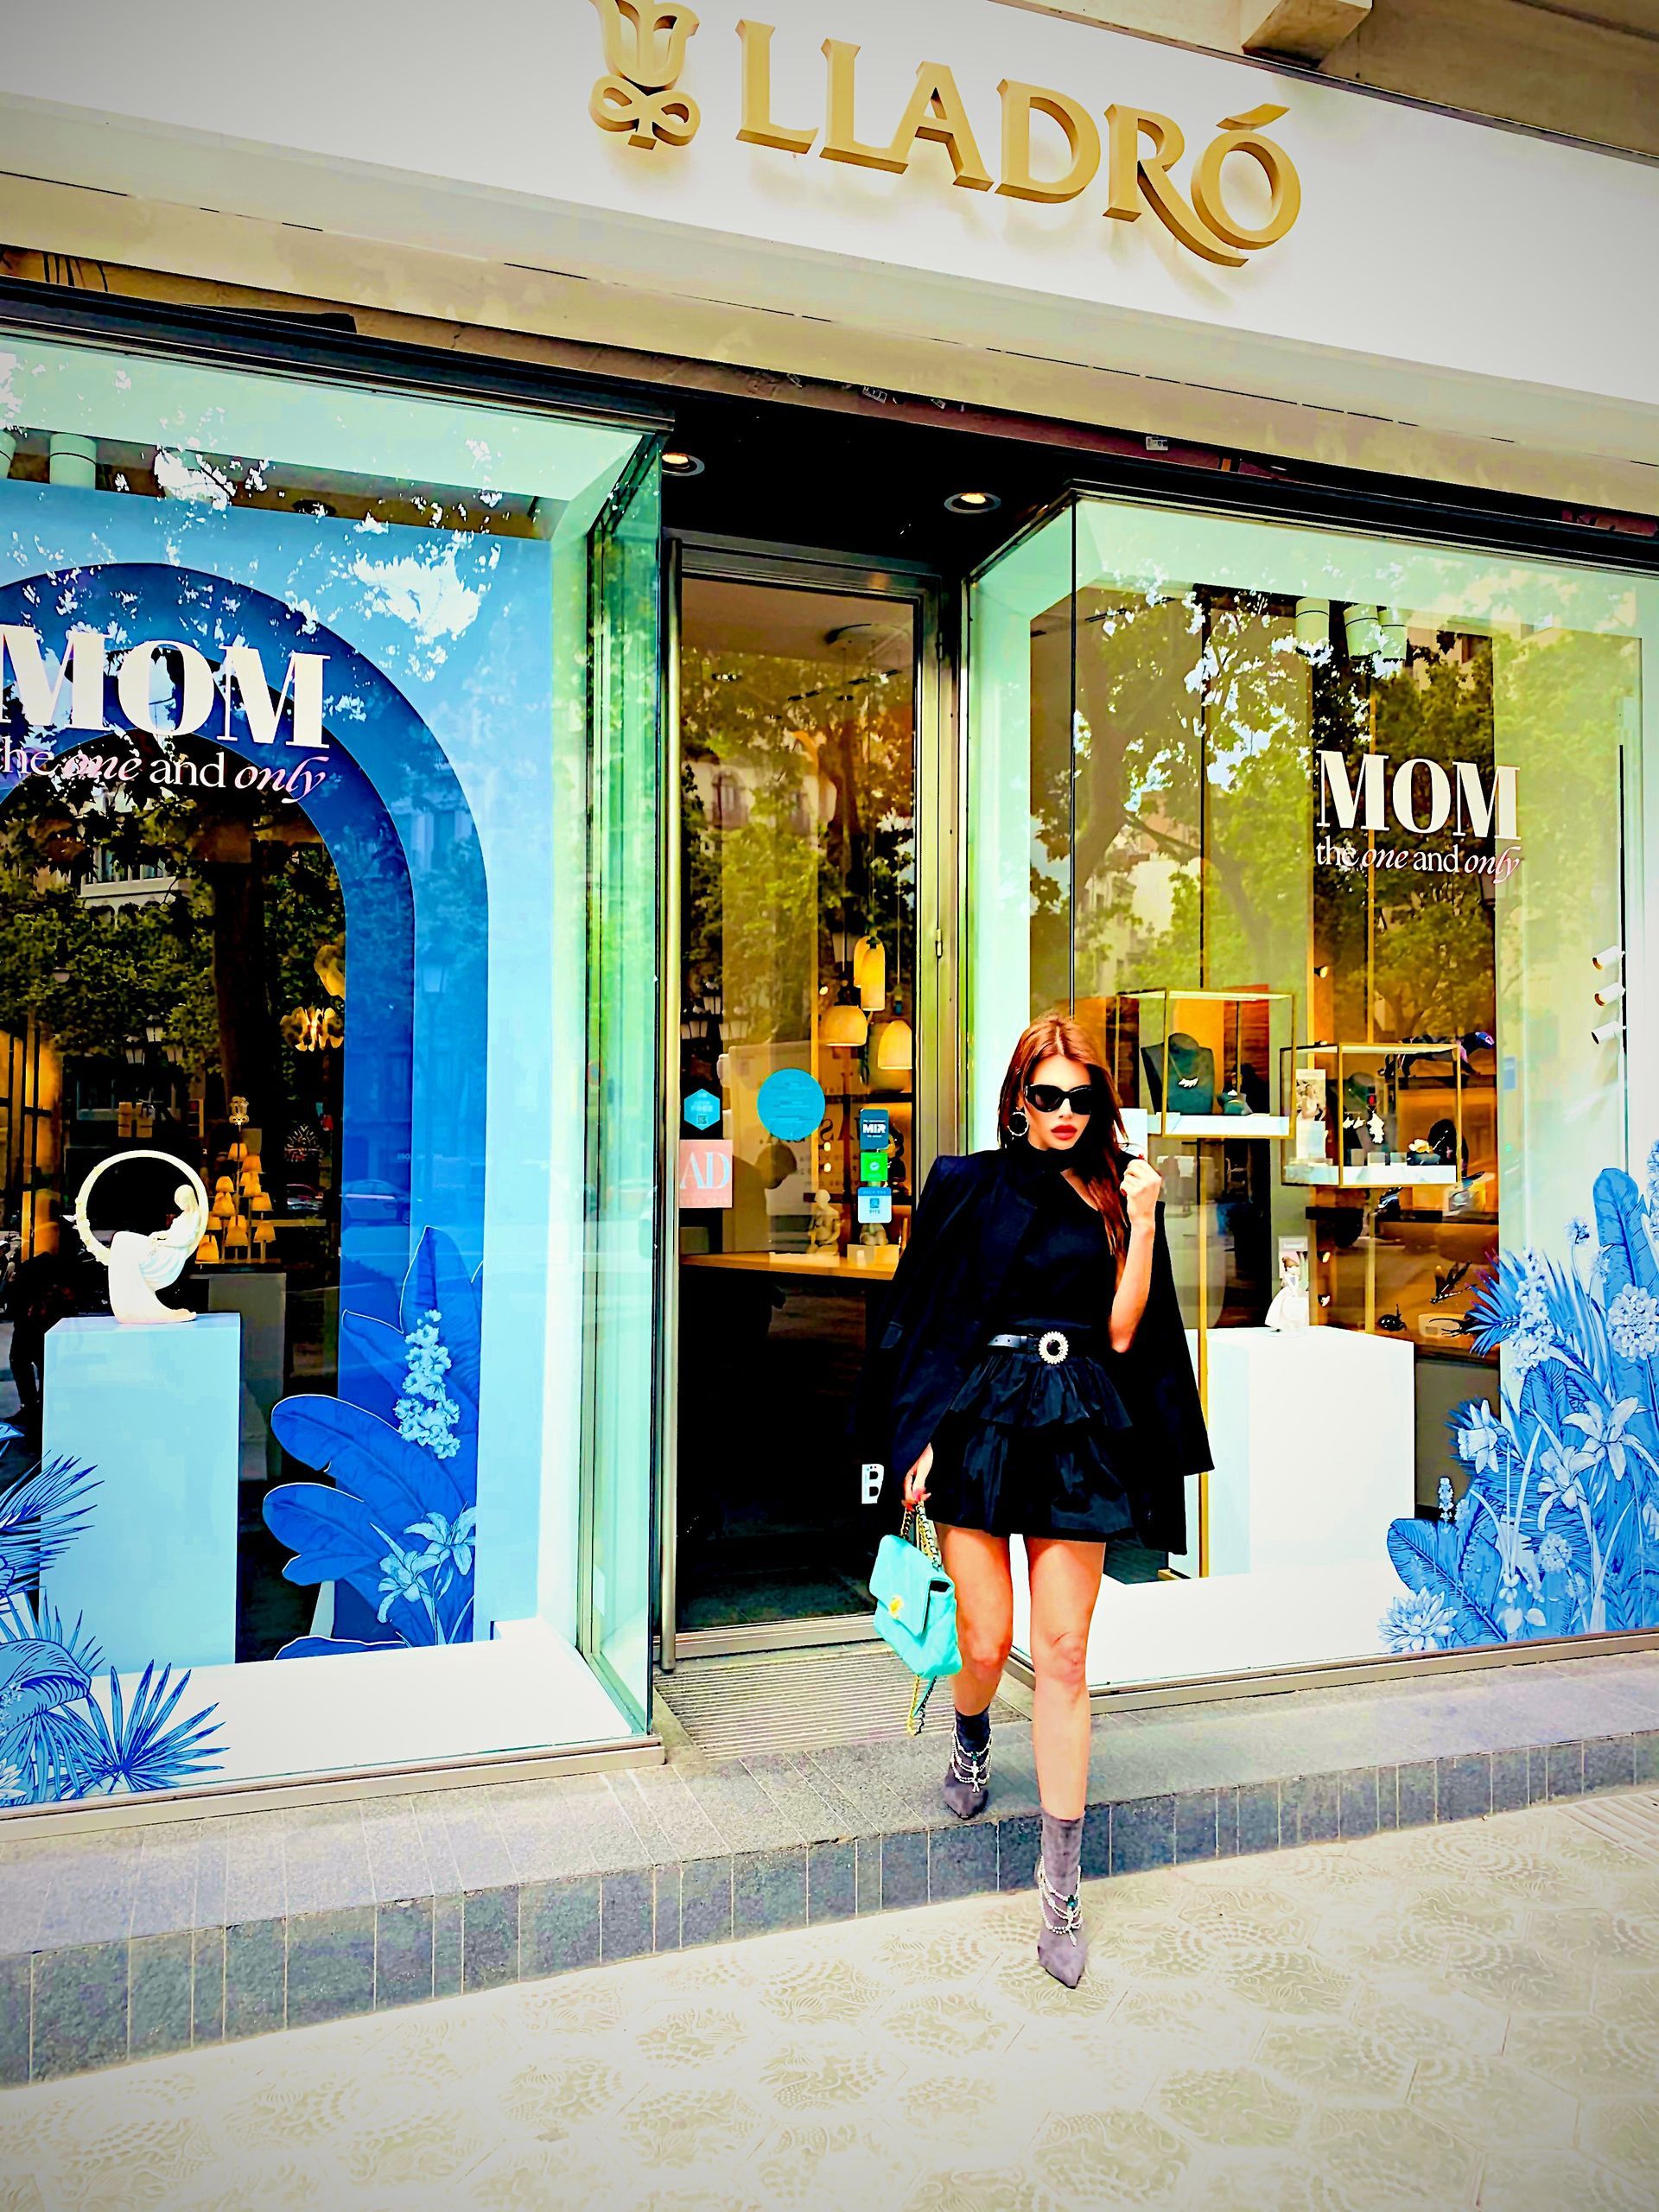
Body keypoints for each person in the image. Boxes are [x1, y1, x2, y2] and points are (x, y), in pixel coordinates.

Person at [855, 1014, 1210, 1986]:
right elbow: (924, 1315)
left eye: (1081, 1098)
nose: (1064, 1113)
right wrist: (917, 1436)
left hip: (1076, 1421)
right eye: (1047, 1096)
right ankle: (971, 1736)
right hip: (979, 1417)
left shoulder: (1115, 1191)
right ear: (1019, 1097)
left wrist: (1144, 1221)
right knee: (984, 1639)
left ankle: (1060, 1894)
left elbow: (1126, 1332)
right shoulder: (966, 1183)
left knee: (1063, 1653)